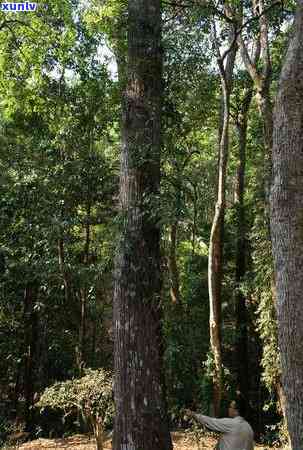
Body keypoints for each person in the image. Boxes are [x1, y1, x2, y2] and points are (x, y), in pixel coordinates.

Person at [185, 398, 254, 450]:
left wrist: (193, 414)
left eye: (230, 407)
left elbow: (210, 422)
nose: (228, 409)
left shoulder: (231, 424)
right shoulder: (248, 427)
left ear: (236, 411)